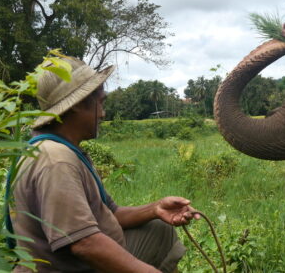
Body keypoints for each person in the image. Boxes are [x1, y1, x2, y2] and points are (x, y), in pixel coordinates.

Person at [10, 57, 198, 272]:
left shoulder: (63, 151)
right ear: (78, 105)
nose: (103, 113)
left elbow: (112, 213)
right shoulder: (56, 160)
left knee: (158, 229)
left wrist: (155, 208)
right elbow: (84, 244)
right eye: (101, 103)